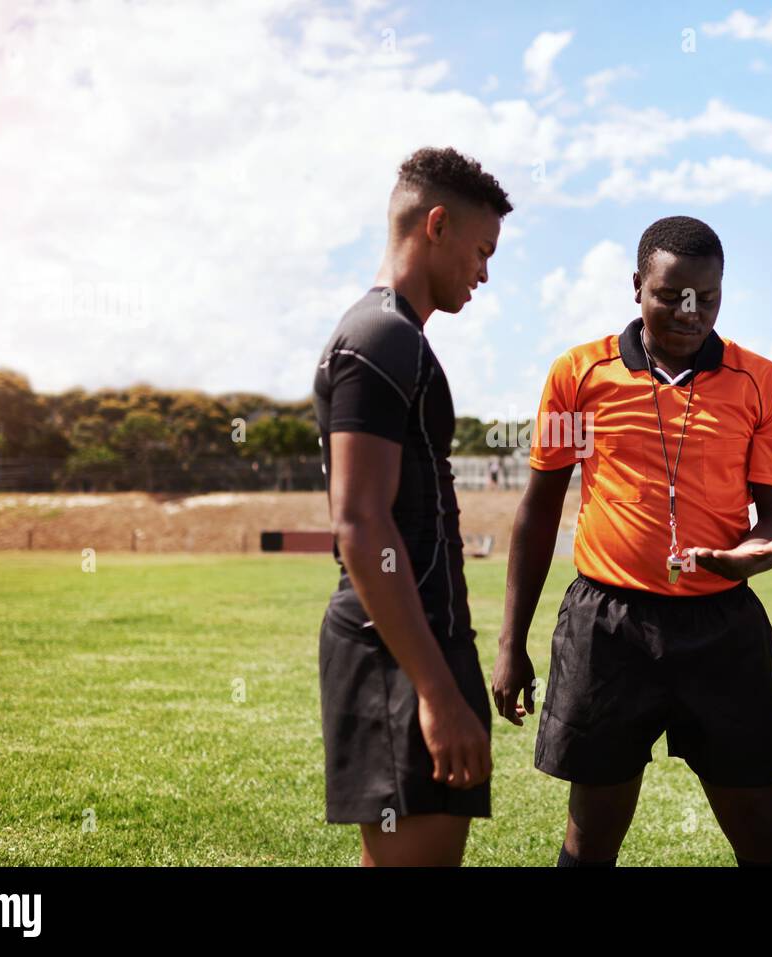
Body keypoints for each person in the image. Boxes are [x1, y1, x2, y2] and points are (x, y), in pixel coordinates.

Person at [492, 216, 772, 867]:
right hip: (607, 625)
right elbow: (540, 508)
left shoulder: (761, 382)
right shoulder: (581, 374)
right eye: (671, 295)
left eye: (708, 298)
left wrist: (746, 556)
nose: (691, 312)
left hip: (723, 625)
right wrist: (509, 643)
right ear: (637, 286)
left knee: (765, 840)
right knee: (590, 839)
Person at [311, 146, 512, 866]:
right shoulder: (379, 338)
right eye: (482, 250)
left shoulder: (400, 336)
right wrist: (435, 691)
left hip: (418, 642)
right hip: (396, 652)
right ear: (436, 224)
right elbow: (361, 524)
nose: (484, 271)